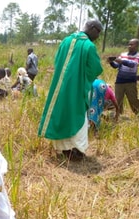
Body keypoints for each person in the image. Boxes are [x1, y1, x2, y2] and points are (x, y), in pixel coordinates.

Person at [38, 19, 103, 161]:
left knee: (61, 112)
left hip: (59, 87)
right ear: (92, 28)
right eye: (98, 32)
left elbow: (57, 61)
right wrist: (82, 77)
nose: (98, 36)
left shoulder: (66, 41)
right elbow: (95, 68)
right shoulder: (88, 46)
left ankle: (62, 149)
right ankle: (76, 151)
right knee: (77, 115)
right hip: (76, 88)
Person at [109, 38, 139, 117]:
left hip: (130, 82)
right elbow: (116, 66)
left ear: (137, 46)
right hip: (119, 81)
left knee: (133, 100)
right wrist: (111, 62)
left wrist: (120, 61)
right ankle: (118, 116)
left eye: (132, 44)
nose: (129, 46)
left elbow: (133, 64)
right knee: (118, 100)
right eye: (129, 44)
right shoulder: (123, 54)